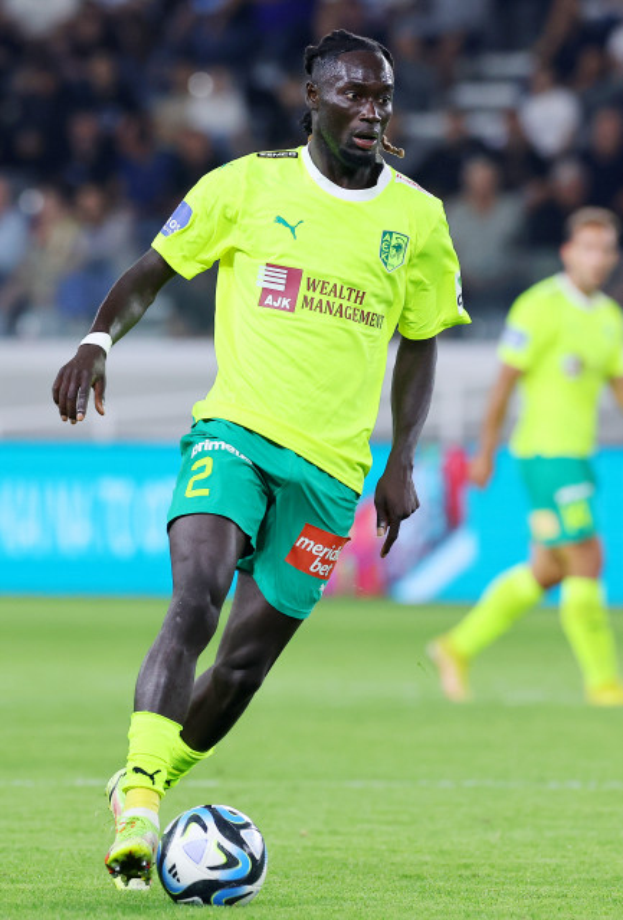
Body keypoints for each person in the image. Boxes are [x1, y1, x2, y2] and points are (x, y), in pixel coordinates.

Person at [52, 29, 469, 890]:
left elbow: (421, 342)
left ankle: (152, 778)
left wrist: (402, 462)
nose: (371, 109)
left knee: (242, 667)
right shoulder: (246, 185)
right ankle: (137, 799)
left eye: (382, 95)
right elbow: (149, 271)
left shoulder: (417, 219)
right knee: (195, 598)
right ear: (311, 97)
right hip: (234, 434)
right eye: (353, 93)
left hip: (332, 473)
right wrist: (97, 339)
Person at [428, 207, 623, 705]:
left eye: (606, 249)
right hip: (543, 456)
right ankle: (604, 685)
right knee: (587, 557)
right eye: (589, 248)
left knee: (549, 570)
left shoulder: (609, 319)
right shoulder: (539, 306)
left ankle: (456, 647)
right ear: (567, 252)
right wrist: (486, 452)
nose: (597, 259)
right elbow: (503, 386)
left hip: (576, 457)